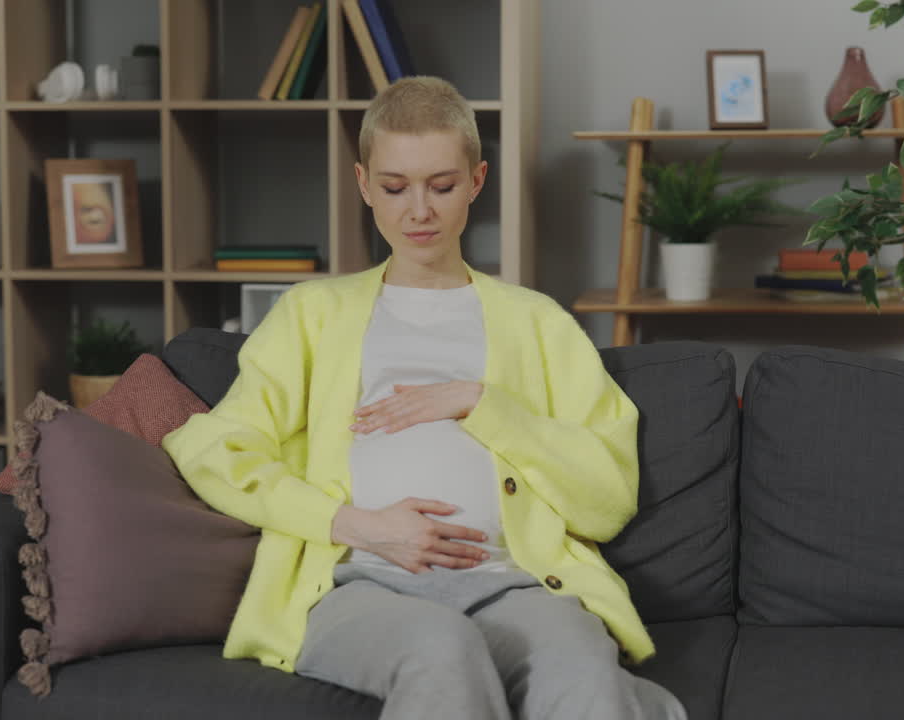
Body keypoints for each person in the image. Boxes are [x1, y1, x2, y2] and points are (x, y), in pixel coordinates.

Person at [161, 76, 685, 720]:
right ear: (362, 184)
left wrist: (483, 404)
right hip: (359, 586)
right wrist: (359, 527)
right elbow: (214, 446)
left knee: (583, 665)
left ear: (476, 181)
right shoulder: (312, 313)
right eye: (394, 187)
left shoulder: (537, 322)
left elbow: (607, 498)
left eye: (441, 186)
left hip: (513, 584)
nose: (419, 211)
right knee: (441, 647)